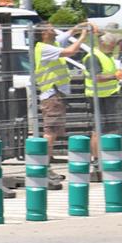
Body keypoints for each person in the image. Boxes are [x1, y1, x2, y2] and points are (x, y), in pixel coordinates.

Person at [32, 21, 88, 158]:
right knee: (50, 131)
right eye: (51, 29)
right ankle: (44, 163)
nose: (54, 30)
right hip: (52, 95)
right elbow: (71, 51)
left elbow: (69, 33)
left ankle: (47, 160)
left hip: (57, 95)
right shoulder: (44, 48)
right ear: (44, 33)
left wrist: (81, 26)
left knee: (54, 131)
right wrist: (83, 37)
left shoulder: (53, 43)